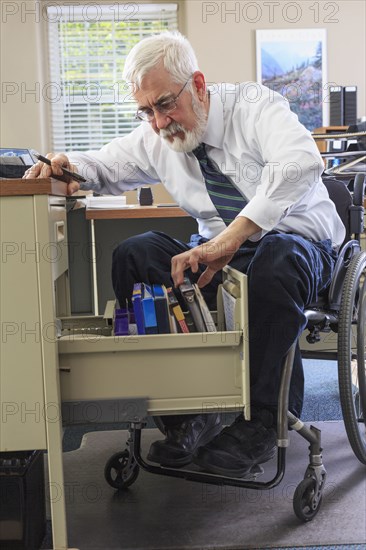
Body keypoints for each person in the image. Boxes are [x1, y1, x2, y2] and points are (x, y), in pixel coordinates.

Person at [25, 31, 345, 478]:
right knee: (136, 254)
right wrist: (67, 164)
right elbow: (105, 165)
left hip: (299, 244)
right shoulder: (156, 134)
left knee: (276, 257)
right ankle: (185, 416)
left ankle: (258, 421)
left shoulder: (254, 106)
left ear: (197, 84)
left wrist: (232, 237)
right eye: (146, 111)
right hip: (219, 253)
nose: (157, 122)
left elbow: (301, 162)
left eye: (164, 104)